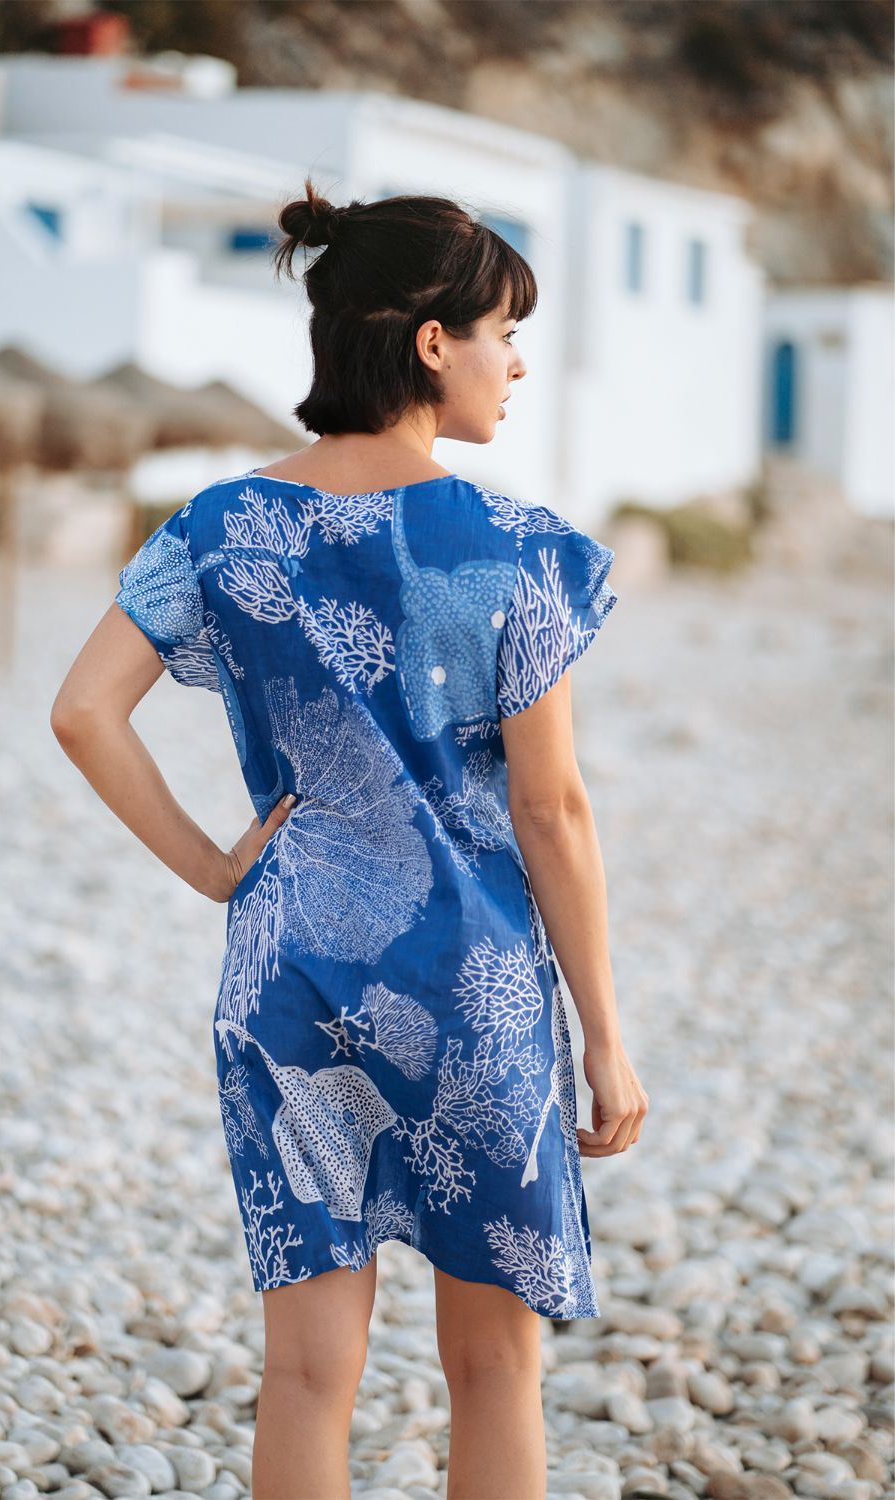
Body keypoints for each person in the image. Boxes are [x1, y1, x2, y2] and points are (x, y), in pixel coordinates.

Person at [51, 176, 648, 1500]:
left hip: (289, 974)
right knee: (493, 1369)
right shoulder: (515, 547)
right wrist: (605, 1035)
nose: (517, 363)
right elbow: (550, 809)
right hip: (470, 984)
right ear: (434, 343)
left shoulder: (222, 526)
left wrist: (219, 869)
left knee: (310, 1374)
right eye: (503, 334)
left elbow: (83, 712)